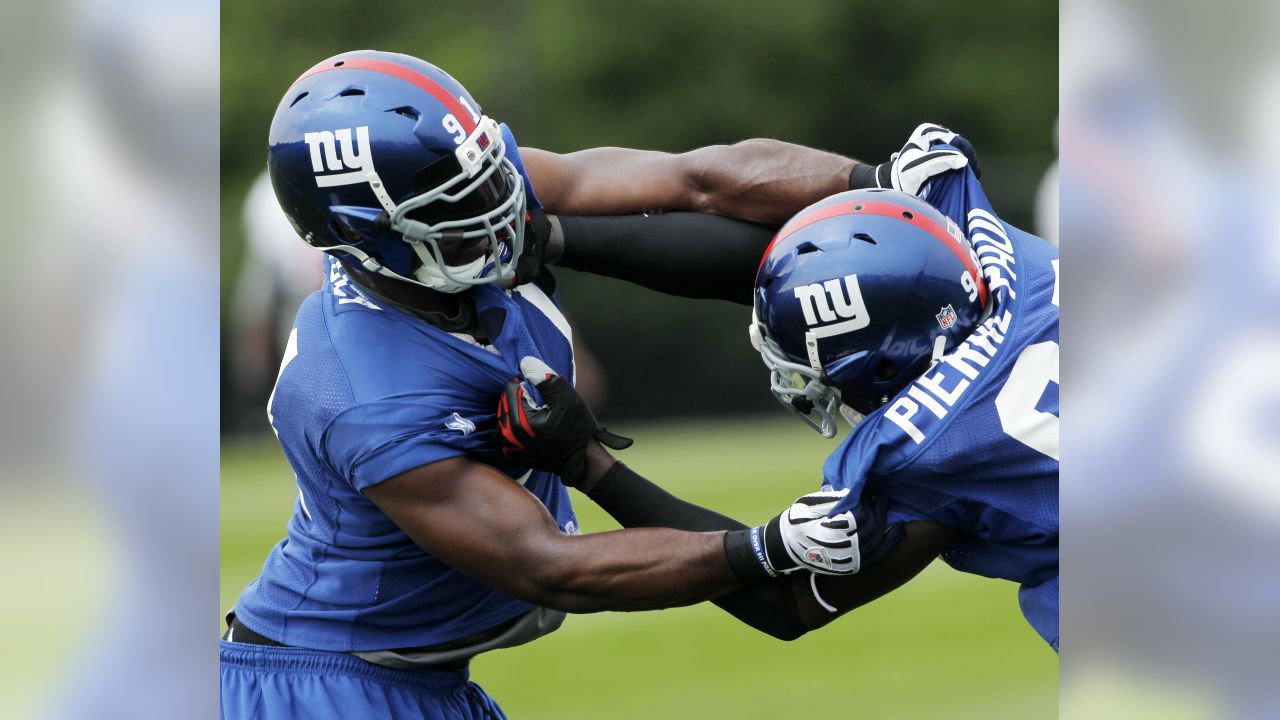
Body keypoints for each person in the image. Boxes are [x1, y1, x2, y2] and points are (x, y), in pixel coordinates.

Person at [220, 49, 934, 719]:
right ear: (361, 234)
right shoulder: (367, 393)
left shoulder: (450, 210)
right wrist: (768, 546)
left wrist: (879, 182)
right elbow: (552, 568)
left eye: (487, 177)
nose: (498, 206)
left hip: (416, 679)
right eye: (455, 204)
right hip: (325, 687)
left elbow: (696, 179)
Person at [497, 126, 1060, 652]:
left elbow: (788, 603)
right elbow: (826, 266)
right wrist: (555, 238)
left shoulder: (924, 448)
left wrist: (585, 462)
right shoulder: (996, 247)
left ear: (884, 368)